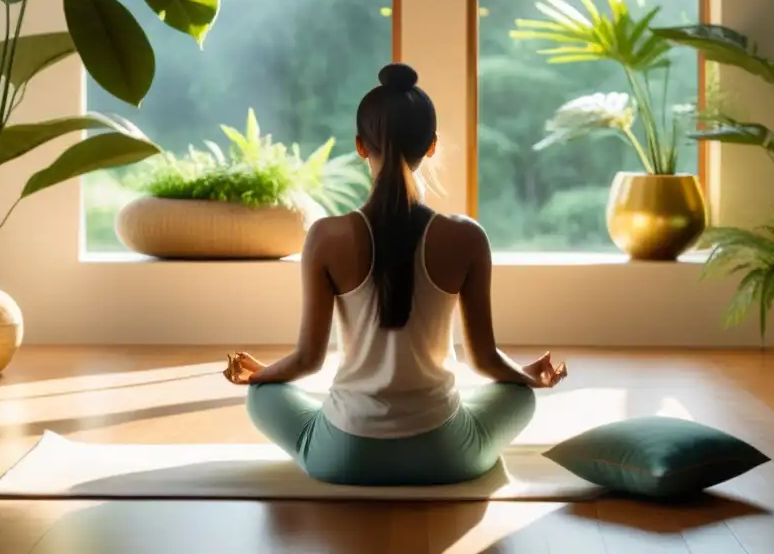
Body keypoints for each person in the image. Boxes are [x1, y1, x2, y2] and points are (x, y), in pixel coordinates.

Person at [223, 63, 566, 486]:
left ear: (361, 147)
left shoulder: (326, 236)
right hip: (444, 458)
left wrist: (261, 374)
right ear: (433, 145)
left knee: (263, 396)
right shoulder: (466, 237)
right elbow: (485, 360)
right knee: (519, 397)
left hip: (344, 457)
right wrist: (528, 376)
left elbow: (307, 361)